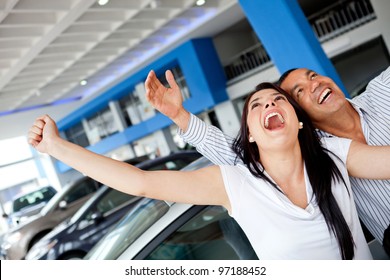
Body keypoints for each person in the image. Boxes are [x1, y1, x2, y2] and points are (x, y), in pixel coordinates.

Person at [29, 81, 390, 259]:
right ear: (250, 132)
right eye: (258, 105)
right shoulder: (233, 182)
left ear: (298, 122)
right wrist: (56, 147)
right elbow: (138, 181)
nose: (270, 105)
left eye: (279, 100)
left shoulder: (333, 155)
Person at [145, 67, 390, 251]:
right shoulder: (318, 153)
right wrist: (180, 115)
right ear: (299, 116)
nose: (313, 84)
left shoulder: (381, 92)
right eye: (300, 91)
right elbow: (238, 155)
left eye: (312, 76)